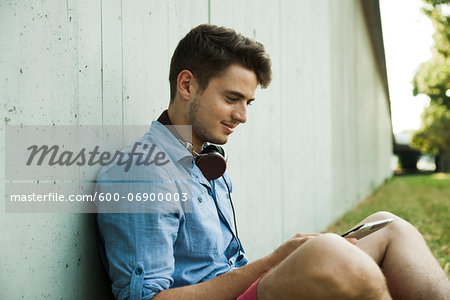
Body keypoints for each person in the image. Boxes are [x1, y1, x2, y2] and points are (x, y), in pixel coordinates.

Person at [96, 24, 450, 300]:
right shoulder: (143, 173)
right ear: (187, 84)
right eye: (232, 98)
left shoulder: (204, 157)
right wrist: (276, 261)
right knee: (328, 252)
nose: (242, 116)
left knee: (389, 226)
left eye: (248, 102)